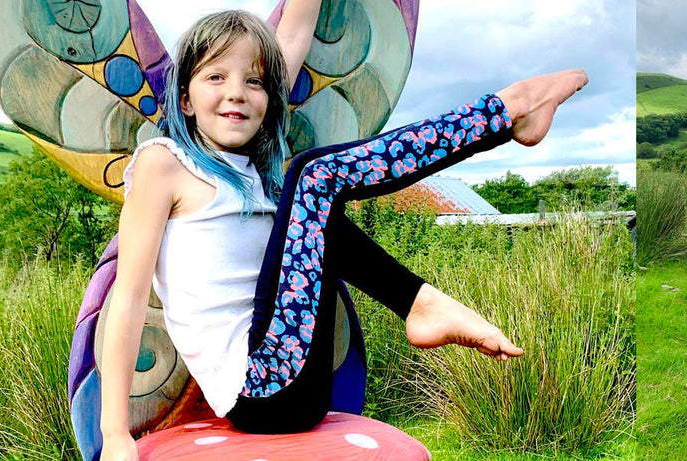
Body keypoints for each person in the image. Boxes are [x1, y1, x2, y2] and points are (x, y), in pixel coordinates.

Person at [95, 4, 588, 459]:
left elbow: (289, 35)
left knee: (311, 193)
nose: (236, 93)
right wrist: (114, 433)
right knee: (312, 176)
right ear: (184, 100)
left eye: (255, 82)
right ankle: (507, 111)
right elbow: (130, 298)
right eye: (216, 77)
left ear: (270, 99)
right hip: (259, 390)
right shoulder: (164, 165)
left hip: (301, 382)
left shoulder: (257, 176)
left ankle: (420, 304)